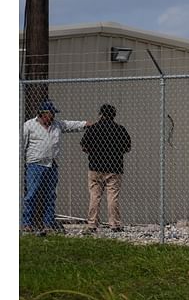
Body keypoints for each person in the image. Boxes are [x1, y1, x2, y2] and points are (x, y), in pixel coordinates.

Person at [21, 100, 92, 233]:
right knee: (32, 194)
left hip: (52, 165)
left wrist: (85, 124)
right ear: (43, 114)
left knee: (50, 195)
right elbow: (22, 145)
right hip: (36, 165)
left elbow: (69, 124)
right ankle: (26, 224)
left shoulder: (56, 125)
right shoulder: (29, 125)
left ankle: (48, 224)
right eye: (51, 113)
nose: (53, 116)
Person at [80, 104, 131, 233]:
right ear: (114, 115)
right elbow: (127, 148)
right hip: (114, 167)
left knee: (95, 196)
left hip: (95, 167)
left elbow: (84, 147)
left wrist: (95, 152)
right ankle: (115, 224)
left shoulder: (93, 129)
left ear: (101, 114)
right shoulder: (120, 130)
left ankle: (92, 224)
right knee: (112, 196)